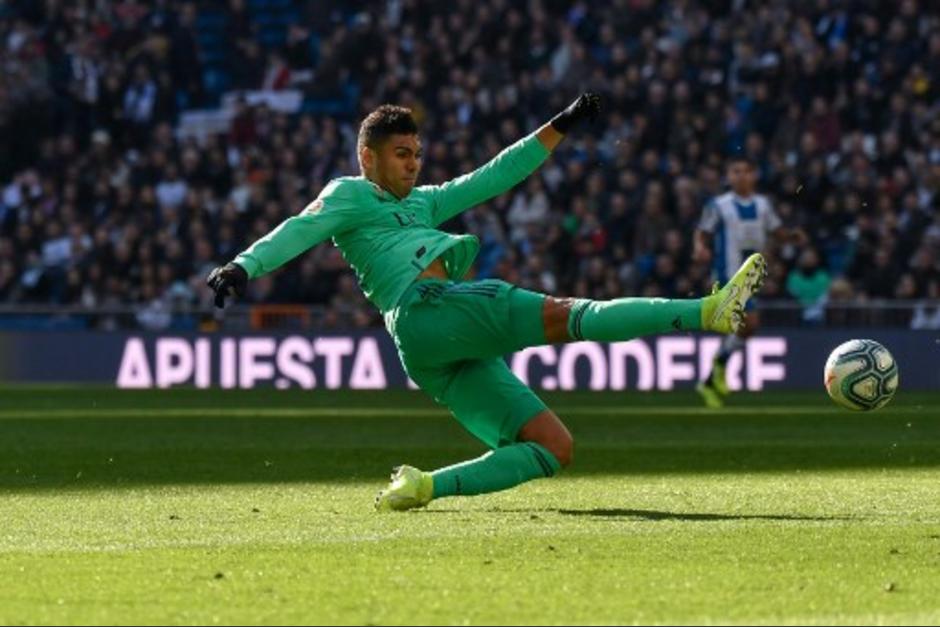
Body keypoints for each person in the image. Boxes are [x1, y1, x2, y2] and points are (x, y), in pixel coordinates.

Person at [207, 95, 766, 511]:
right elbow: (298, 228)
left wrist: (560, 124)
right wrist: (243, 265)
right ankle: (706, 312)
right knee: (573, 314)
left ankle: (423, 485)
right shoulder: (348, 194)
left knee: (552, 447)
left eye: (416, 154)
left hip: (428, 347)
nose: (413, 164)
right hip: (427, 306)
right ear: (367, 158)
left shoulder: (423, 202)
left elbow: (494, 175)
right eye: (401, 154)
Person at [692, 156, 791, 408]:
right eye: (735, 171)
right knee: (750, 323)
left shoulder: (763, 205)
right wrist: (700, 247)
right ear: (728, 177)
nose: (741, 176)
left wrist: (791, 237)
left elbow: (776, 230)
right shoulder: (719, 205)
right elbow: (703, 231)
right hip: (728, 274)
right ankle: (716, 369)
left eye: (746, 171)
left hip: (752, 276)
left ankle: (713, 374)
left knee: (747, 328)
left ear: (754, 175)